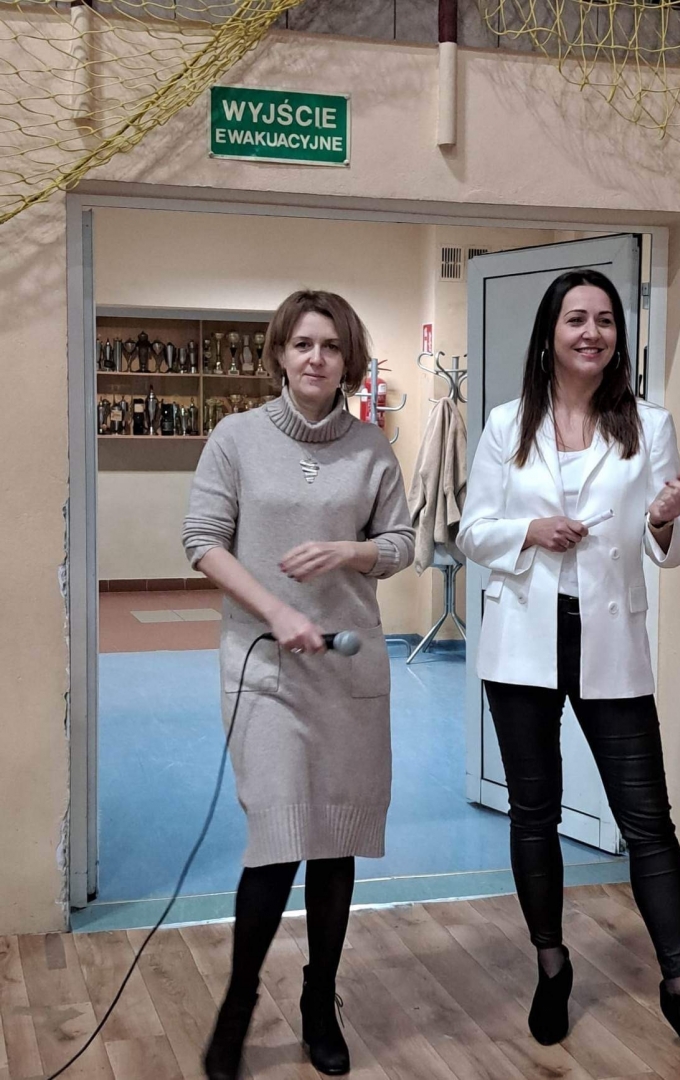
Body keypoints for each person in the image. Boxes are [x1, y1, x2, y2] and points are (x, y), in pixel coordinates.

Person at [457, 269, 680, 1060]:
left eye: (605, 320)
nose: (592, 332)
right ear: (550, 333)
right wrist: (528, 532)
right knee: (534, 813)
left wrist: (664, 521)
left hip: (611, 640)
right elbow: (471, 531)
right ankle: (551, 966)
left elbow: (672, 547)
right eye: (576, 319)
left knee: (647, 822)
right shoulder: (506, 424)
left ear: (618, 337)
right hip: (521, 645)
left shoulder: (649, 424)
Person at [182, 290, 415, 1079]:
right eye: (303, 343)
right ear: (279, 353)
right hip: (265, 668)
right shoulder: (237, 438)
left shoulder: (371, 447)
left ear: (349, 360)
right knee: (279, 837)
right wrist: (277, 610)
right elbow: (203, 541)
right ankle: (239, 1003)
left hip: (349, 667)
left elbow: (402, 542)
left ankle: (320, 999)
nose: (317, 358)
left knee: (334, 839)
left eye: (332, 346)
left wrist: (350, 552)